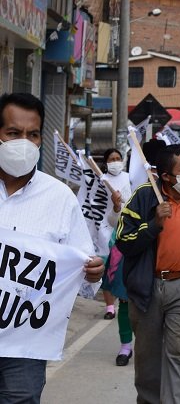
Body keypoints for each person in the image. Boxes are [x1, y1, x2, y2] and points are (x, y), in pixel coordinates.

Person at [0, 92, 104, 402]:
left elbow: (82, 273)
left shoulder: (60, 198)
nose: (24, 141)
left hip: (26, 345)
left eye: (33, 134)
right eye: (14, 133)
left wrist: (92, 273)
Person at [116, 144, 180, 404]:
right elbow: (124, 242)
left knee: (179, 353)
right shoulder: (143, 197)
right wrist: (153, 225)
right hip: (148, 288)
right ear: (167, 177)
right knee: (148, 359)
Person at [98, 148, 134, 366]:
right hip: (120, 246)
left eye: (118, 159)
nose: (115, 163)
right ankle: (125, 346)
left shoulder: (136, 181)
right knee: (125, 299)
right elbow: (113, 220)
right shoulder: (102, 183)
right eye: (111, 159)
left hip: (145, 250)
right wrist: (117, 205)